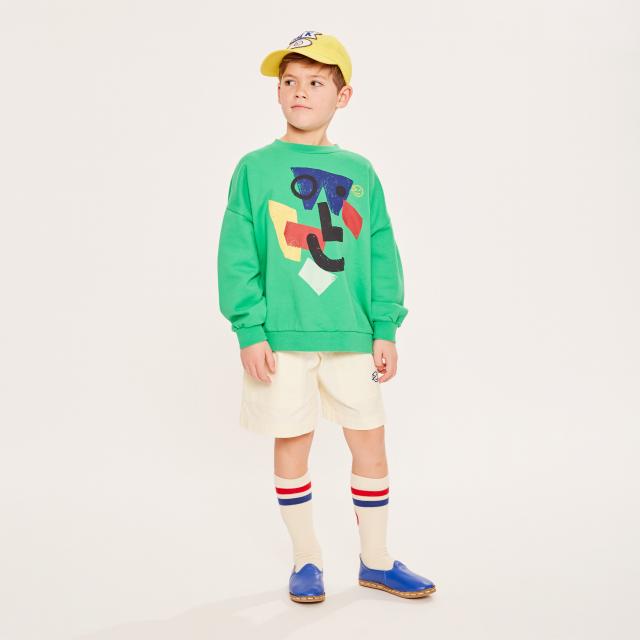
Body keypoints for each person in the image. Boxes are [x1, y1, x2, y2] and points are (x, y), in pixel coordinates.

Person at [217, 30, 436, 603]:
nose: (299, 92)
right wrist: (249, 328)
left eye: (316, 83)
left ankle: (376, 560)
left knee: (371, 443)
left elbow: (382, 250)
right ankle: (306, 559)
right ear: (277, 92)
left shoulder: (360, 171)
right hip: (281, 338)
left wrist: (385, 326)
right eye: (289, 81)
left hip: (352, 334)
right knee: (292, 442)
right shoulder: (255, 168)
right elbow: (237, 254)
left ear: (343, 97)